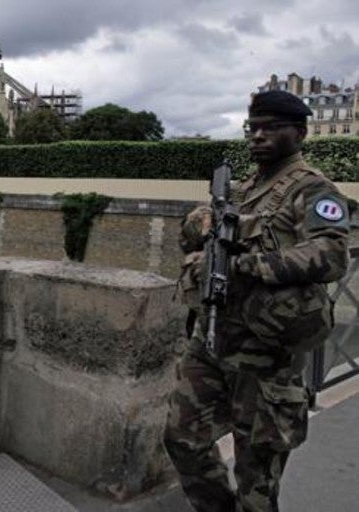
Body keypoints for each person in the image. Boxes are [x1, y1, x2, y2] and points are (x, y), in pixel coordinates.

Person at [163, 90, 350, 512]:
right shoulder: (243, 190)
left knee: (257, 477)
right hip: (214, 340)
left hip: (266, 352)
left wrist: (253, 266)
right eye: (253, 128)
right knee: (182, 438)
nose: (257, 136)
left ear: (299, 133)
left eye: (271, 127)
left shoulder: (313, 189)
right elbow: (194, 238)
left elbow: (332, 254)